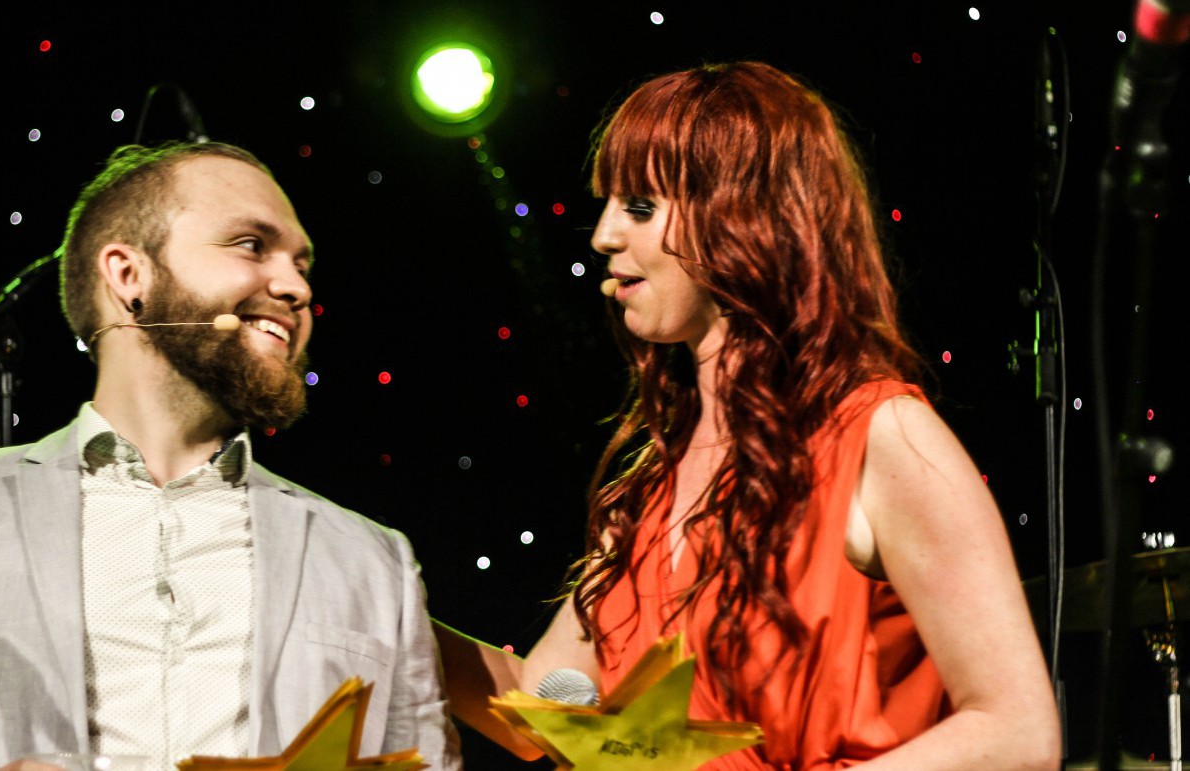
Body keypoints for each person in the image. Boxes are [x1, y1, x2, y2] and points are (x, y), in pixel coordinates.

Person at [437, 62, 1060, 769]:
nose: (603, 235)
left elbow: (1017, 730)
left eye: (639, 206)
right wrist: (381, 598)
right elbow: (548, 714)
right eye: (607, 205)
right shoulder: (652, 486)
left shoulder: (881, 435)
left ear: (743, 216)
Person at [0, 141, 461, 771]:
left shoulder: (376, 562)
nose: (297, 288)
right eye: (252, 246)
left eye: (302, 265)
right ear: (130, 275)